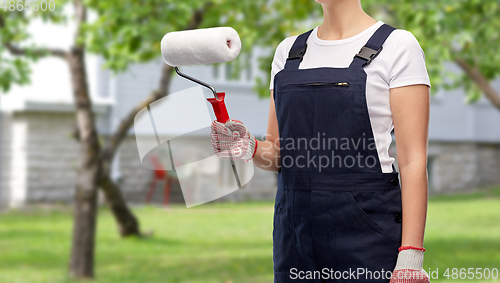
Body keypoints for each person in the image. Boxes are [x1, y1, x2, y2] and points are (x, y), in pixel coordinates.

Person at [210, 0, 431, 282]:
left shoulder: (398, 46)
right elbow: (278, 153)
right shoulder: (288, 53)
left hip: (366, 232)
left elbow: (413, 161)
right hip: (295, 235)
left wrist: (410, 257)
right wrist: (247, 145)